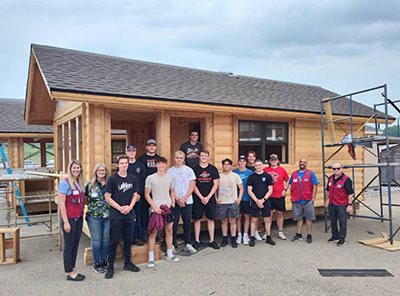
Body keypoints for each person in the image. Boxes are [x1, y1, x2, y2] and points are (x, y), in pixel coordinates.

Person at [104, 155, 140, 279]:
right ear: (118, 165)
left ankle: (128, 263)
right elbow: (107, 197)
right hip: (116, 215)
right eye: (122, 163)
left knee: (128, 240)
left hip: (129, 213)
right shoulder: (112, 179)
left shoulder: (133, 178)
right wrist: (119, 208)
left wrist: (130, 207)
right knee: (113, 241)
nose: (124, 165)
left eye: (126, 163)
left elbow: (135, 194)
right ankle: (110, 267)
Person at [145, 157, 180, 268]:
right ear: (156, 165)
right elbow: (146, 194)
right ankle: (151, 258)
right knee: (153, 233)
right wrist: (154, 207)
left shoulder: (170, 177)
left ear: (165, 165)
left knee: (169, 231)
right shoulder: (150, 178)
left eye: (163, 163)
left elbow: (172, 190)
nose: (161, 165)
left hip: (168, 208)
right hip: (156, 209)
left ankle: (170, 253)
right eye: (159, 163)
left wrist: (173, 202)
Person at [58, 160, 86, 281]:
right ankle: (69, 271)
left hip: (78, 218)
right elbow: (61, 203)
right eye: (74, 168)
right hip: (69, 219)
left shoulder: (79, 182)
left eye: (78, 168)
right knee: (69, 246)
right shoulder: (65, 183)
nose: (76, 170)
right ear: (70, 169)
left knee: (75, 245)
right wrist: (65, 222)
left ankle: (72, 268)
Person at [167, 150, 197, 254]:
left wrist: (184, 198)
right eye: (177, 158)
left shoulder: (189, 170)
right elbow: (170, 187)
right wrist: (177, 199)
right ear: (174, 159)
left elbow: (192, 186)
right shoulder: (170, 171)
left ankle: (188, 243)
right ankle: (173, 243)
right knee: (174, 223)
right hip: (174, 201)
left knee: (187, 222)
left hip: (187, 200)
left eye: (181, 158)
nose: (179, 160)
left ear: (184, 159)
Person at [85, 163, 110, 273]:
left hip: (108, 216)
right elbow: (85, 199)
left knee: (106, 240)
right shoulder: (90, 185)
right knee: (96, 240)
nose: (101, 172)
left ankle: (104, 261)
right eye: (99, 170)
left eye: (103, 170)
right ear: (95, 171)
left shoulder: (110, 183)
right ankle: (97, 263)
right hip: (94, 216)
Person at [192, 150, 220, 250]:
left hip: (210, 198)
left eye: (205, 155)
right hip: (197, 198)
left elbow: (216, 184)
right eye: (202, 155)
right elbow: (193, 185)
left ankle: (212, 240)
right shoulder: (194, 169)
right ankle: (197, 240)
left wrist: (208, 197)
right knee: (197, 219)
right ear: (199, 157)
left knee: (211, 219)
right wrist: (201, 197)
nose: (204, 157)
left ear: (208, 157)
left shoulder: (213, 169)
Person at [287, 159, 318, 243]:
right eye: (301, 162)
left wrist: (313, 198)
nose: (302, 163)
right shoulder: (294, 174)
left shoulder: (311, 173)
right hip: (296, 200)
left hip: (307, 200)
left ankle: (309, 235)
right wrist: (286, 190)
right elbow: (289, 183)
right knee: (298, 218)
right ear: (299, 163)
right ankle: (299, 234)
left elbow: (315, 185)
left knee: (309, 218)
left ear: (306, 164)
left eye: (304, 162)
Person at [216, 158, 244, 248]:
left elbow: (241, 188)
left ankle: (233, 239)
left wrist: (239, 198)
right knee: (224, 221)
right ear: (222, 165)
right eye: (225, 164)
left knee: (233, 221)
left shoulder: (235, 176)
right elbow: (215, 188)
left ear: (231, 166)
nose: (226, 166)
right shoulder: (219, 176)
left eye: (228, 164)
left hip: (233, 201)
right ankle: (224, 239)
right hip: (222, 202)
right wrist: (216, 198)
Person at [324, 162, 354, 246]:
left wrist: (349, 205)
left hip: (342, 204)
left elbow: (350, 193)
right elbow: (328, 190)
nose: (336, 170)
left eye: (338, 168)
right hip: (332, 203)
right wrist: (326, 200)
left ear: (342, 168)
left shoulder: (346, 179)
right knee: (333, 221)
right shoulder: (330, 178)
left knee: (342, 222)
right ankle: (335, 236)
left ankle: (342, 238)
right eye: (334, 169)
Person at [247, 159, 274, 247]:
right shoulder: (251, 177)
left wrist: (263, 200)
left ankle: (268, 237)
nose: (258, 167)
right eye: (256, 165)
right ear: (254, 166)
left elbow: (270, 190)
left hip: (265, 201)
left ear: (262, 165)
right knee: (254, 219)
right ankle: (252, 238)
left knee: (267, 219)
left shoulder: (268, 176)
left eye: (259, 165)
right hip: (255, 201)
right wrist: (257, 201)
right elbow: (249, 190)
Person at [138, 138, 160, 240]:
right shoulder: (141, 159)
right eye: (149, 145)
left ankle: (157, 232)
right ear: (146, 147)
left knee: (156, 210)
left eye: (153, 145)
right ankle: (144, 232)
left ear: (156, 147)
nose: (151, 147)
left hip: (157, 189)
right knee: (144, 211)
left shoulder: (159, 159)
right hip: (145, 189)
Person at [263, 154, 289, 240]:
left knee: (279, 214)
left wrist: (285, 190)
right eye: (272, 160)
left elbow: (288, 180)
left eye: (275, 160)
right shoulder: (265, 170)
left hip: (279, 195)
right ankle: (267, 232)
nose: (273, 161)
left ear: (278, 161)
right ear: (269, 161)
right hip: (269, 196)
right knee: (268, 214)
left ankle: (280, 231)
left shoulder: (282, 170)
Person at [125, 144, 146, 246]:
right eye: (129, 150)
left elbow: (143, 181)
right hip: (126, 197)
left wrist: (138, 194)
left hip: (137, 197)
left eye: (133, 150)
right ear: (126, 152)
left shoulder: (140, 165)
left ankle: (137, 237)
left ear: (136, 151)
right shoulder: (124, 165)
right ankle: (128, 238)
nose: (131, 152)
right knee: (128, 218)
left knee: (137, 217)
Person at [233, 155, 253, 245]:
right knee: (238, 217)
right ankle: (239, 234)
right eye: (240, 161)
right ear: (238, 163)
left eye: (243, 161)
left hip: (247, 198)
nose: (242, 163)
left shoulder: (250, 173)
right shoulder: (234, 172)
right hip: (236, 198)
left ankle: (245, 234)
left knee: (247, 217)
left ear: (246, 162)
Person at [245, 150, 262, 241]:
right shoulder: (245, 166)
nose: (251, 158)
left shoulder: (257, 168)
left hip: (256, 194)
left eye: (253, 156)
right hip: (247, 194)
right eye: (249, 156)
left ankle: (256, 232)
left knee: (255, 215)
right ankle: (247, 233)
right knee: (247, 215)